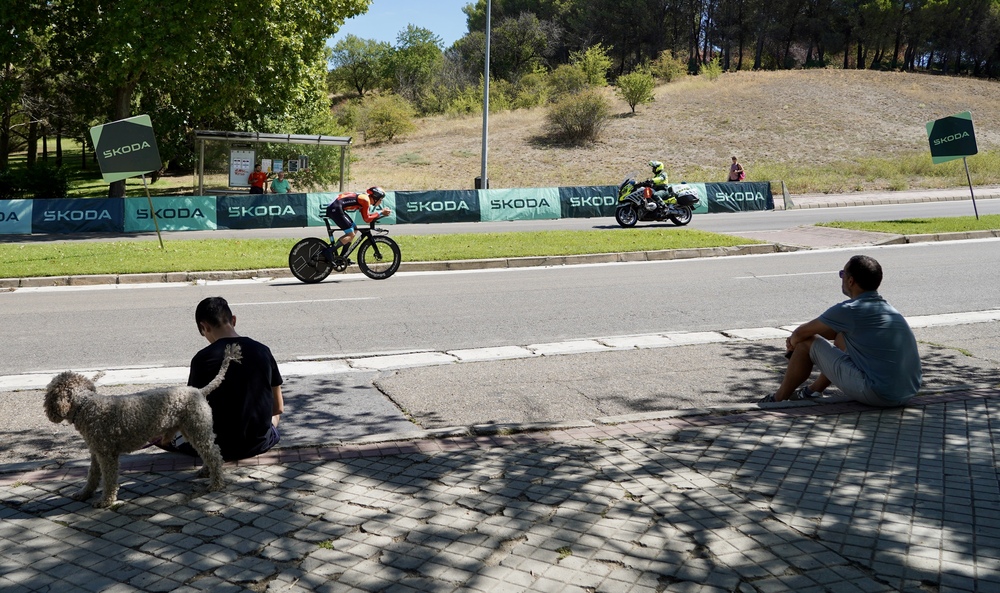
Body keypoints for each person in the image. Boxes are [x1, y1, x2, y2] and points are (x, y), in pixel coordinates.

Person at [762, 255, 922, 406]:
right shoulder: (887, 308)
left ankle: (777, 399)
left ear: (850, 281)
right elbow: (833, 333)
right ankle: (812, 392)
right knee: (842, 336)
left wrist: (793, 344)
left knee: (806, 342)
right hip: (907, 392)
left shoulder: (849, 310)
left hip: (878, 394)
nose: (842, 278)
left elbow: (800, 334)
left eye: (842, 274)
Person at [161, 297, 284, 461]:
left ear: (204, 327)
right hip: (258, 443)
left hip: (218, 447)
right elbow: (278, 408)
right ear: (233, 320)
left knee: (161, 430)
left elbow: (191, 413)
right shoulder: (263, 351)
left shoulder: (202, 359)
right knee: (272, 417)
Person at [323, 186, 391, 259]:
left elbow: (367, 216)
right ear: (375, 198)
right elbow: (367, 219)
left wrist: (380, 214)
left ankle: (342, 257)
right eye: (380, 199)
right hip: (335, 208)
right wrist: (380, 212)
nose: (381, 201)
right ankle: (329, 251)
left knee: (354, 229)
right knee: (350, 234)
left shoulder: (365, 199)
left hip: (336, 207)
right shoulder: (365, 200)